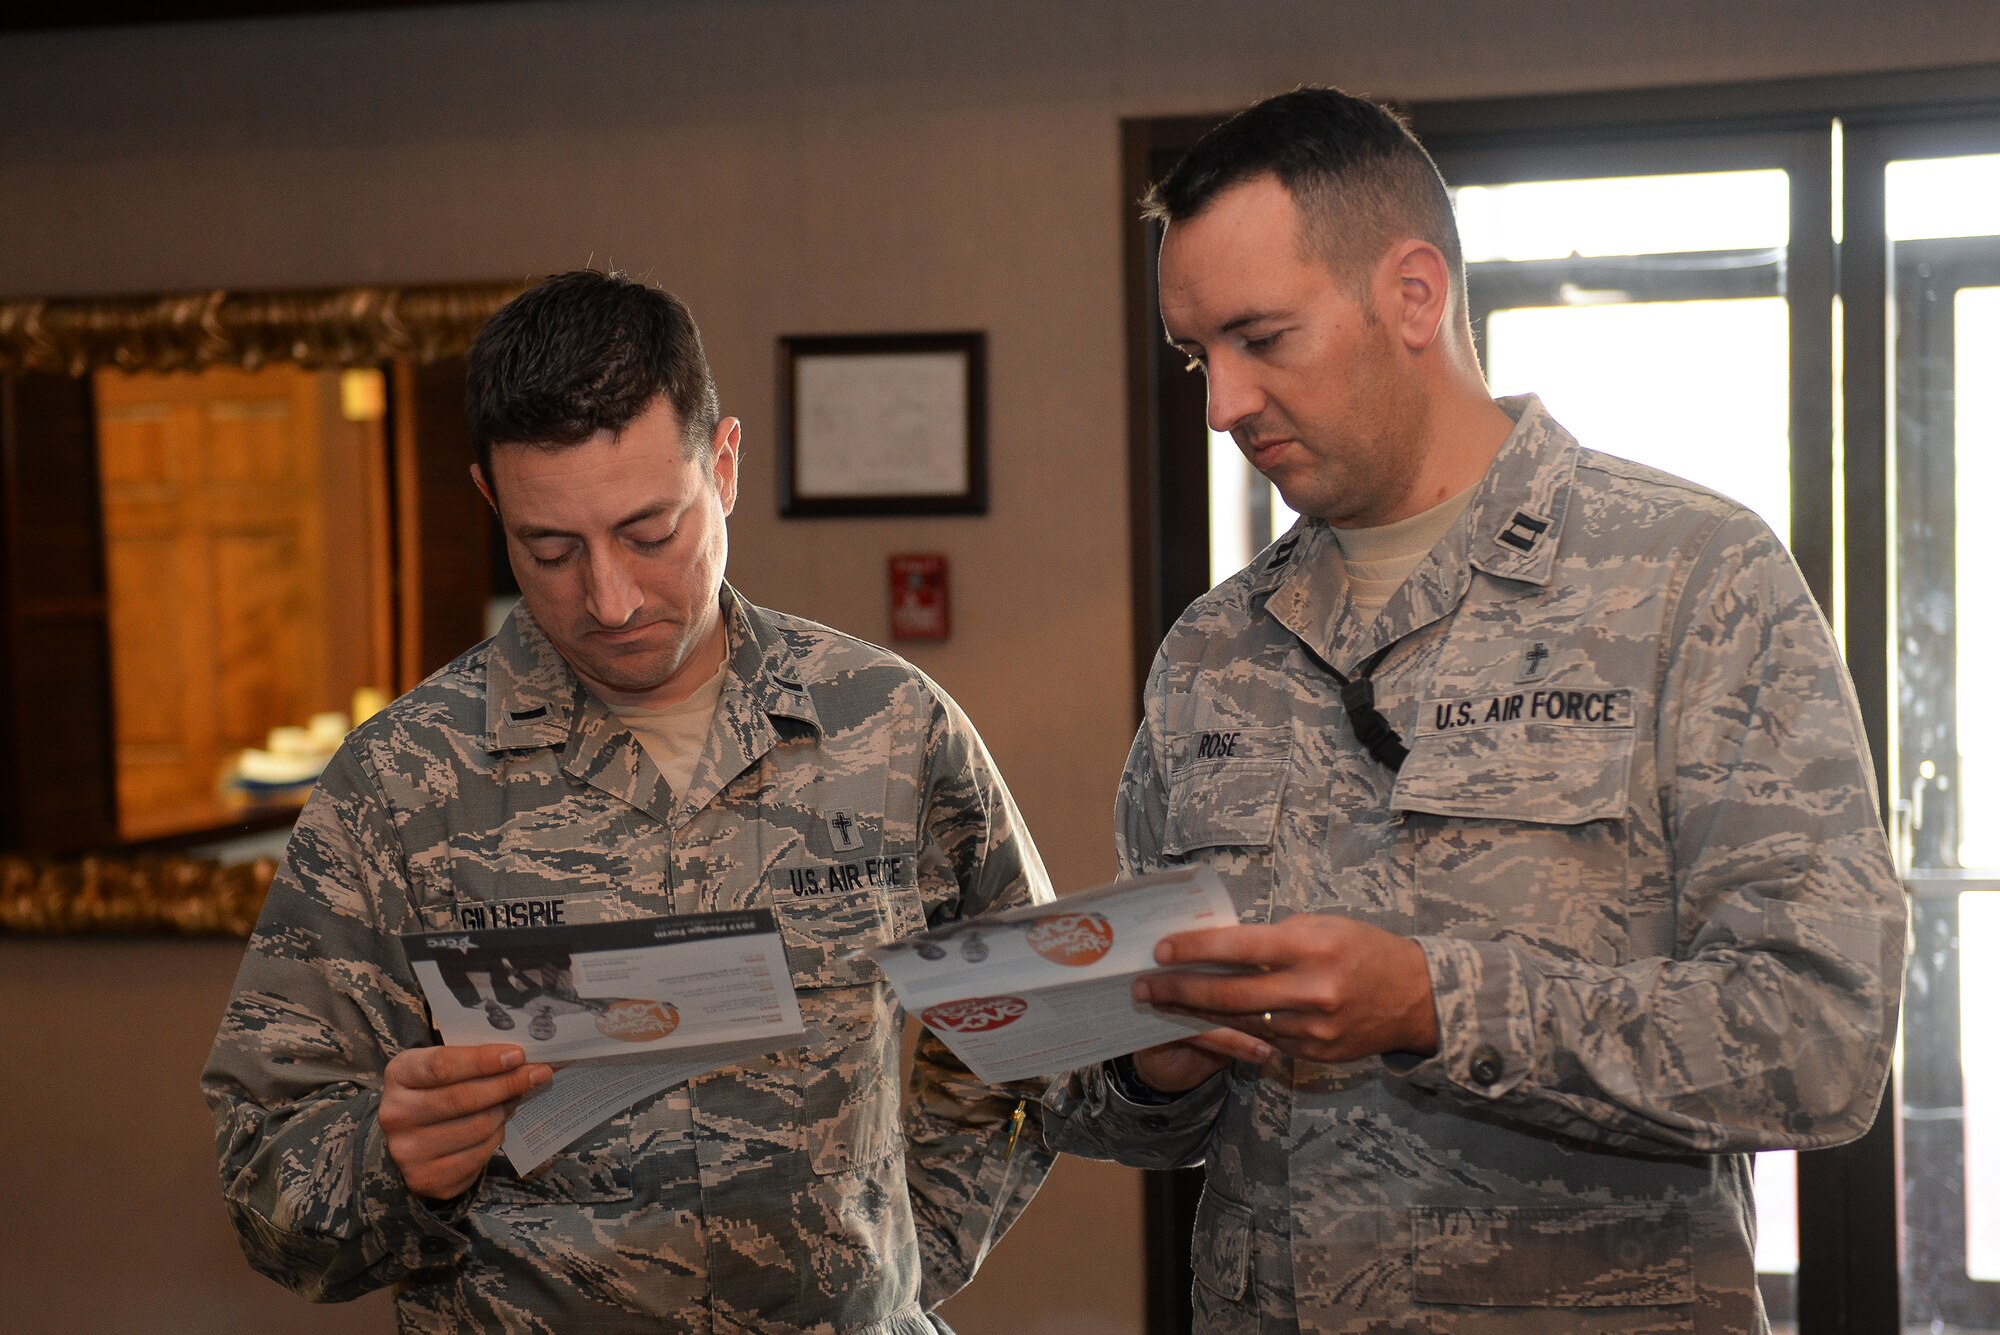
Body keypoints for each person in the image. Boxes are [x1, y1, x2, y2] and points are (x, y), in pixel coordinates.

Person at [1043, 87, 1905, 1334]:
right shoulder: (1211, 650)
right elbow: (1131, 1111)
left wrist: (1436, 1006)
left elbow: (1820, 1042)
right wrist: (1147, 1059)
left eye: (1260, 338)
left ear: (1410, 294)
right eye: (1196, 357)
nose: (1221, 405)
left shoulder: (1692, 580)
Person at [203, 270, 1054, 1332]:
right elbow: (266, 1189)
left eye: (649, 533)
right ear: (489, 503)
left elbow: (1024, 1036)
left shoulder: (889, 724)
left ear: (725, 466)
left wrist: (902, 1260)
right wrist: (391, 1160)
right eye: (548, 550)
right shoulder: (399, 782)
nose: (605, 600)